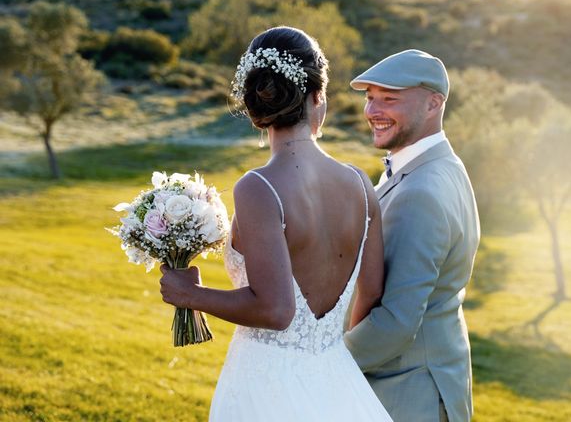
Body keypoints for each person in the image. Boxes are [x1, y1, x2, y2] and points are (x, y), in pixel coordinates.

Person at [159, 26, 392, 421]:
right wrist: (322, 347)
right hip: (336, 379)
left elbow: (276, 310)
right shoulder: (359, 185)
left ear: (258, 103)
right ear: (317, 97)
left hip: (265, 384)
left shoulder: (258, 187)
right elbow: (370, 290)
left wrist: (190, 295)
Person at [344, 49, 481, 422]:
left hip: (408, 394)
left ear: (434, 103)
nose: (373, 111)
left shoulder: (421, 190)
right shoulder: (441, 164)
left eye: (390, 99)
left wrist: (326, 366)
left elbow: (395, 322)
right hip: (426, 380)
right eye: (370, 98)